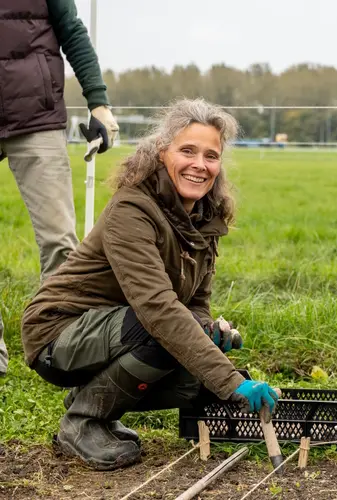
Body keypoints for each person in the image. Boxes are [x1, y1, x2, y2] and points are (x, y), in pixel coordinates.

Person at [20, 98, 278, 471]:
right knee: (163, 334)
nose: (199, 165)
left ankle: (93, 398)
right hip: (58, 332)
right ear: (161, 152)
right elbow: (158, 309)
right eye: (187, 150)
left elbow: (195, 304)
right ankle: (82, 422)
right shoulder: (132, 211)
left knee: (195, 374)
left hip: (117, 329)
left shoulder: (204, 219)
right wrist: (230, 381)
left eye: (211, 155)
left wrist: (207, 330)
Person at [0, 0, 121, 376]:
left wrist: (98, 102)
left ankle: (63, 345)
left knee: (59, 240)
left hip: (34, 116)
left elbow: (72, 31)